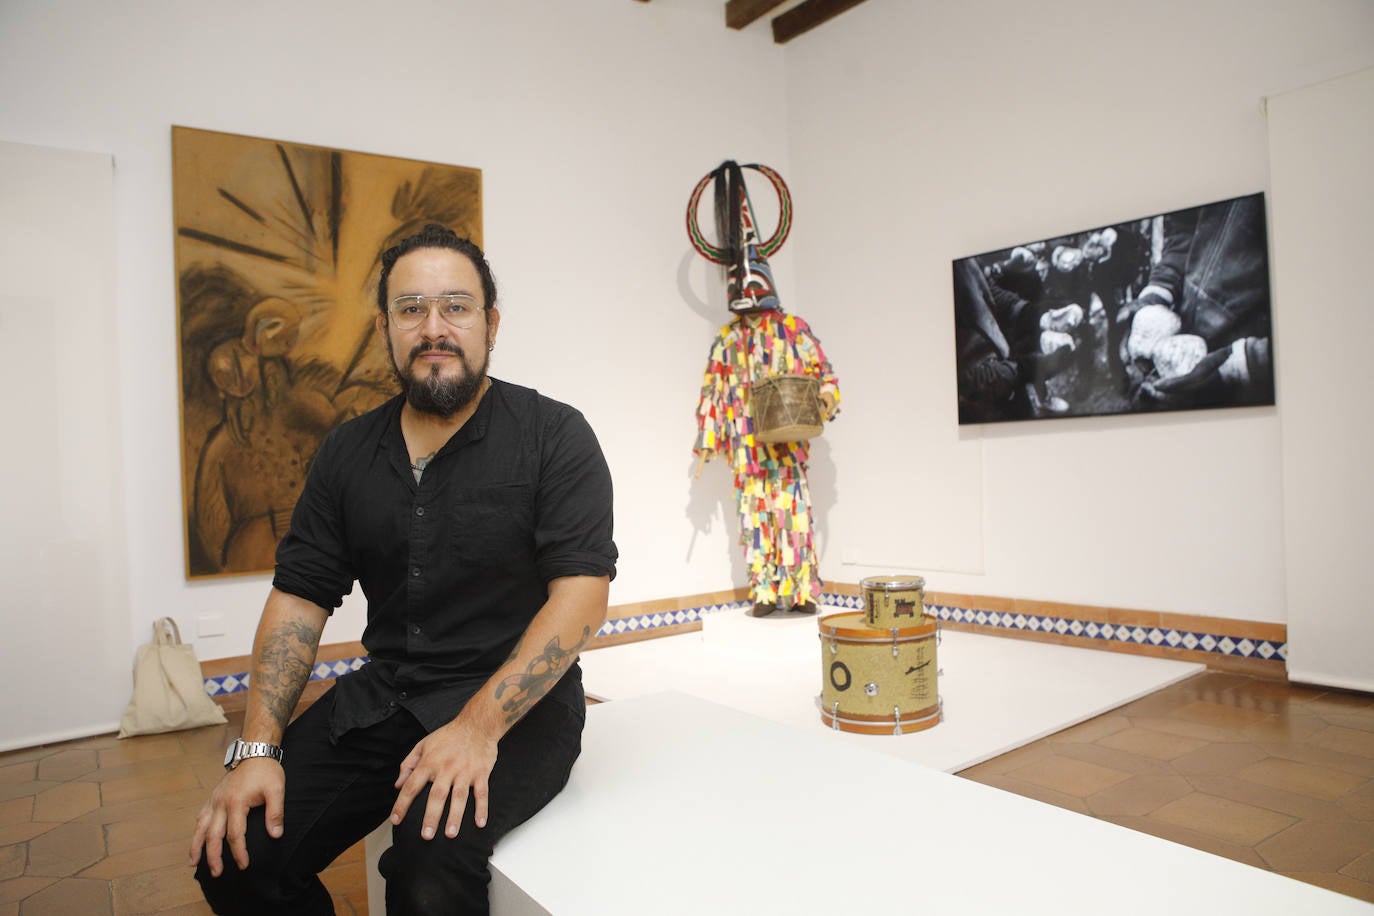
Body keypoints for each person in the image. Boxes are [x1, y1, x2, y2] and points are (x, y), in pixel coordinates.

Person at [188, 223, 618, 914]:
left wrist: (478, 729)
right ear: (387, 327)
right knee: (237, 854)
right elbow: (299, 601)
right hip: (387, 697)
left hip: (517, 708)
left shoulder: (553, 435)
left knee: (426, 864)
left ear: (492, 323)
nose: (434, 327)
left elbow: (581, 597)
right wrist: (255, 750)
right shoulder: (346, 453)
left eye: (456, 305)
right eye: (411, 308)